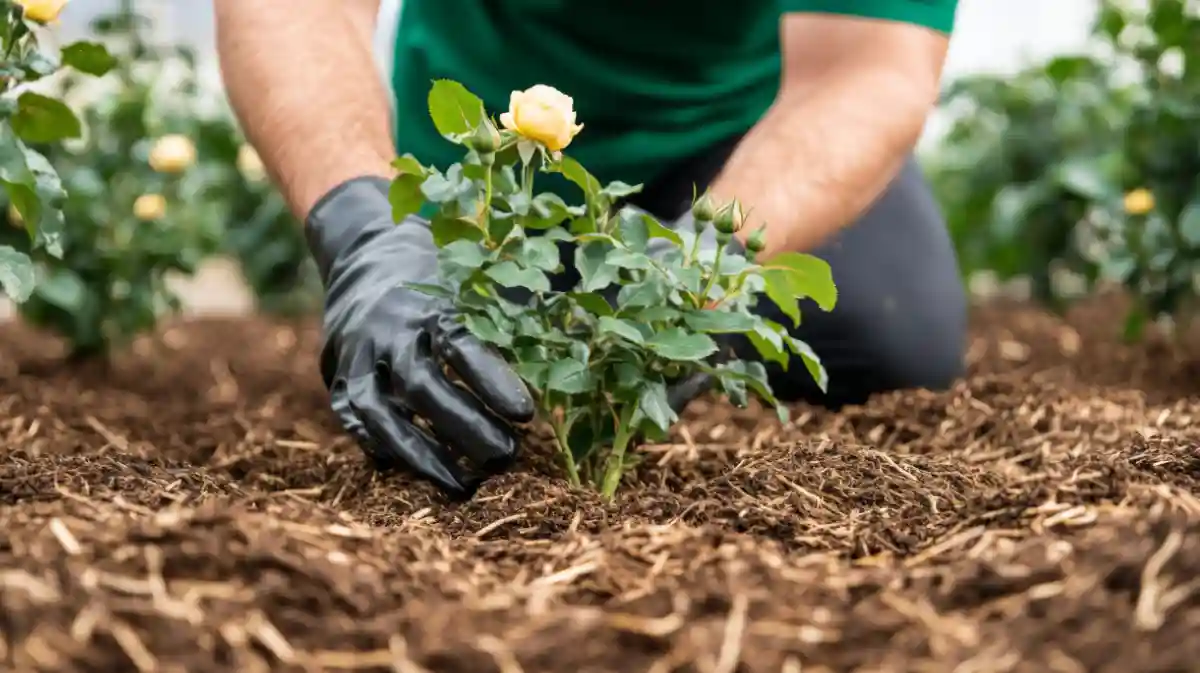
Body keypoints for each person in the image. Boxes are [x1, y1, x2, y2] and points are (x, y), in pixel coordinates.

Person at [212, 0, 966, 497]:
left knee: (884, 333)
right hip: (488, 153)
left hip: (740, 131)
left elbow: (867, 64)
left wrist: (708, 260)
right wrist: (362, 226)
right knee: (427, 363)